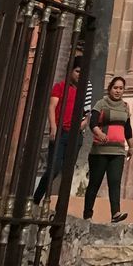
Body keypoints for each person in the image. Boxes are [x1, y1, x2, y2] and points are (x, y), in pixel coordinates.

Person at [33, 58, 87, 205]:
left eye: (82, 72)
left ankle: (60, 207)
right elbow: (52, 106)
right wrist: (53, 126)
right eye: (77, 71)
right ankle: (37, 198)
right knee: (54, 168)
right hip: (61, 132)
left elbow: (87, 112)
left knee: (68, 171)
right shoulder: (60, 87)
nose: (79, 75)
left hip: (75, 134)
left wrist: (83, 124)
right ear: (70, 71)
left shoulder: (84, 92)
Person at [83, 76, 133, 223]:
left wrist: (131, 146)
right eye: (115, 88)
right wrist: (99, 133)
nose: (118, 91)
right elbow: (93, 122)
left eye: (121, 88)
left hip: (118, 151)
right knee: (95, 182)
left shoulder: (125, 106)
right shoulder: (101, 103)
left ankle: (115, 213)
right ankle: (87, 214)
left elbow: (128, 128)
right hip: (100, 150)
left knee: (115, 181)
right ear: (110, 88)